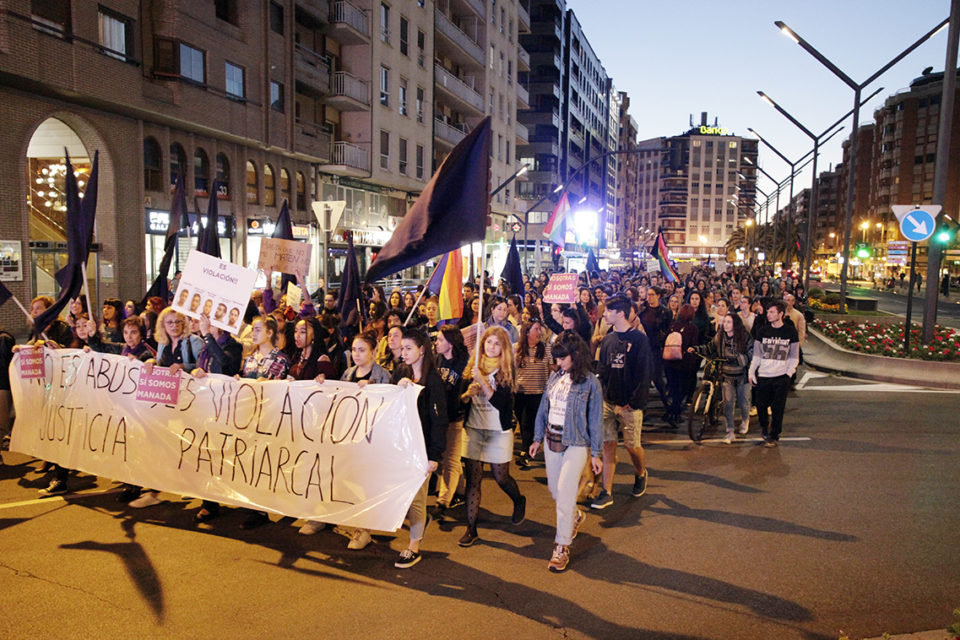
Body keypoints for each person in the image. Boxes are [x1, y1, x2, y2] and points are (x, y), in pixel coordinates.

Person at [530, 331, 603, 572]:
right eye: (557, 357)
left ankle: (561, 546)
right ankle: (575, 517)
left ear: (576, 355)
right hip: (552, 439)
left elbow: (595, 420)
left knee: (564, 494)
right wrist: (537, 438)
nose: (558, 362)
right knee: (556, 491)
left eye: (562, 357)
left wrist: (596, 453)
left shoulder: (590, 382)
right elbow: (544, 407)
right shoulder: (555, 377)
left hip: (576, 442)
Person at [458, 326, 525, 547]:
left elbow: (501, 402)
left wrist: (485, 384)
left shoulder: (506, 370)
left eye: (497, 343)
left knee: (501, 477)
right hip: (474, 429)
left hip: (498, 431)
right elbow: (461, 400)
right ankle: (471, 528)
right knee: (473, 481)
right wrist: (468, 393)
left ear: (503, 347)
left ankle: (518, 499)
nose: (492, 347)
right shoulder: (472, 367)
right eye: (488, 343)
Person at [390, 327, 447, 568]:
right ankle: (419, 526)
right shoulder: (401, 373)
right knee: (404, 496)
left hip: (421, 449)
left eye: (408, 348)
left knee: (417, 499)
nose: (403, 353)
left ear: (422, 350)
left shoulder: (433, 380)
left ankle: (414, 545)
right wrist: (398, 389)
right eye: (402, 348)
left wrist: (434, 455)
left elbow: (439, 420)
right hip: (401, 446)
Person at [592, 294, 651, 509]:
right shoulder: (608, 338)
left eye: (608, 311)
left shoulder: (639, 340)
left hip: (629, 404)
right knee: (608, 445)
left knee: (632, 446)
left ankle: (641, 473)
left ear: (621, 313)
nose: (604, 314)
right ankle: (606, 491)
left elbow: (644, 374)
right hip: (608, 401)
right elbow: (603, 369)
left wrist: (633, 402)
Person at [190, 313, 244, 522]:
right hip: (205, 407)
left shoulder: (234, 346)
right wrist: (195, 370)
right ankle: (209, 503)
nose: (204, 325)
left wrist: (207, 336)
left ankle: (246, 504)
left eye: (209, 323)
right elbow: (204, 367)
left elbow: (225, 365)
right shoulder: (205, 346)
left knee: (229, 455)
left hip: (226, 408)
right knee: (207, 455)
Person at [693, 313, 752, 443]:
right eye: (725, 322)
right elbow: (709, 348)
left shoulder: (744, 337)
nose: (726, 325)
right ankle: (730, 431)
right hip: (726, 376)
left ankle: (745, 420)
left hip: (742, 376)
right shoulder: (719, 337)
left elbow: (750, 355)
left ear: (735, 324)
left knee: (743, 402)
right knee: (728, 404)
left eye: (729, 322)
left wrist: (738, 358)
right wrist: (696, 349)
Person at [748, 300, 799, 448]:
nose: (768, 315)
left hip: (781, 376)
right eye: (768, 312)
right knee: (761, 406)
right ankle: (764, 428)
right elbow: (757, 355)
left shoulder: (790, 332)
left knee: (778, 408)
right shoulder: (763, 331)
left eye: (772, 312)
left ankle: (774, 435)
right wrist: (752, 372)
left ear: (780, 314)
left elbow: (794, 356)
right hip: (764, 375)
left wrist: (788, 374)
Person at [514, 319, 552, 468]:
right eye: (536, 329)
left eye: (540, 329)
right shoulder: (516, 348)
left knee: (529, 421)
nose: (539, 332)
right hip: (519, 392)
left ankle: (526, 453)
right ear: (527, 332)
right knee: (521, 421)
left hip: (538, 392)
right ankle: (527, 447)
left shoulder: (546, 349)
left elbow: (551, 369)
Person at [663, 304, 699, 426]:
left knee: (673, 388)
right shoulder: (693, 328)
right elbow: (693, 346)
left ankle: (670, 411)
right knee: (681, 389)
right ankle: (675, 413)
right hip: (683, 363)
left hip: (668, 361)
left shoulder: (673, 325)